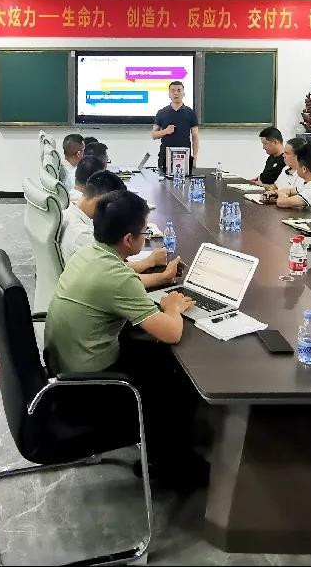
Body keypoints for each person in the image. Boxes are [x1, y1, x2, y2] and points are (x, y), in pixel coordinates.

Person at [43, 189, 205, 487]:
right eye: (144, 233)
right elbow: (171, 332)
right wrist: (173, 307)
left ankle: (165, 446)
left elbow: (125, 277)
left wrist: (162, 277)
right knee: (179, 376)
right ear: (129, 240)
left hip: (66, 368)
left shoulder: (89, 254)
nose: (146, 237)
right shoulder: (116, 278)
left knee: (154, 353)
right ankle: (168, 466)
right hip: (90, 387)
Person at [60, 170, 180, 286]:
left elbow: (111, 270)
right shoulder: (82, 234)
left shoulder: (70, 213)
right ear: (102, 200)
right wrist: (151, 264)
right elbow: (114, 277)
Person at [263, 142, 311, 217]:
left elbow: (282, 202)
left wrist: (281, 194)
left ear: (304, 169)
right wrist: (275, 192)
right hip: (305, 218)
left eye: (298, 165)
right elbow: (290, 191)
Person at [152, 81, 200, 173]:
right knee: (163, 181)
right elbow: (154, 135)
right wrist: (165, 131)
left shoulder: (190, 113)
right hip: (165, 156)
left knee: (185, 180)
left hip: (184, 156)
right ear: (169, 94)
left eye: (179, 90)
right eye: (173, 91)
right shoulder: (161, 112)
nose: (176, 93)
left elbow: (195, 137)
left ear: (184, 93)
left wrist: (195, 157)